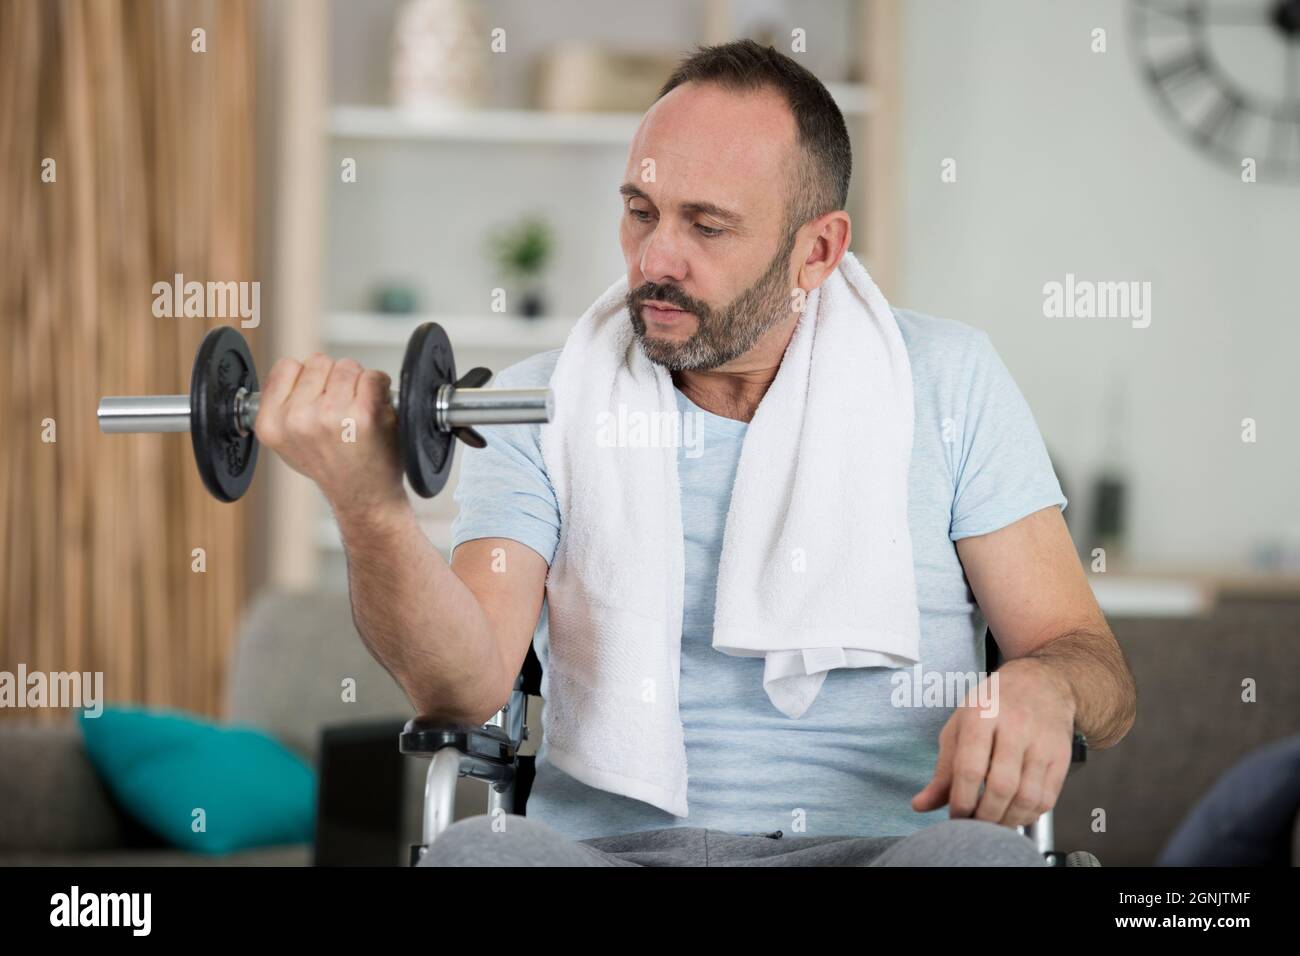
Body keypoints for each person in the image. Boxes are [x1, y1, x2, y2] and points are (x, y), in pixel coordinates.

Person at [254, 40, 1136, 867]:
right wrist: (369, 508)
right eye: (640, 213)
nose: (655, 259)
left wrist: (1047, 689)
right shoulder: (538, 403)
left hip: (882, 850)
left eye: (707, 227)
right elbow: (463, 688)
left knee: (983, 862)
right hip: (608, 852)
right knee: (479, 856)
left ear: (817, 250)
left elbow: (1087, 661)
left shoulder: (950, 380)